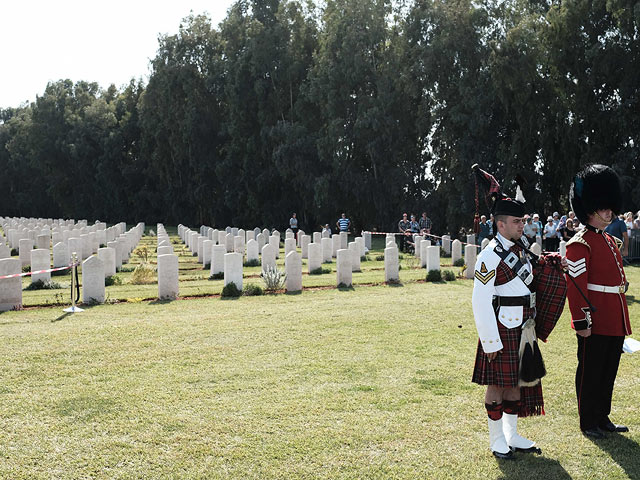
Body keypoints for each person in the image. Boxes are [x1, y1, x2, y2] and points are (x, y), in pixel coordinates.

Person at [472, 194, 559, 459]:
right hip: (502, 327)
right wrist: (490, 342)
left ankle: (512, 435)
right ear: (501, 225)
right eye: (517, 221)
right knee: (497, 384)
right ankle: (497, 438)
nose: (523, 225)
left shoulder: (519, 248)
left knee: (516, 382)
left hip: (524, 324)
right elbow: (480, 301)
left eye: (522, 220)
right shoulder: (489, 256)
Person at [566, 164, 632, 439]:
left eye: (609, 208)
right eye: (602, 208)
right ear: (589, 209)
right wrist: (582, 321)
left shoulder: (606, 239)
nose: (608, 213)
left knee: (608, 372)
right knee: (591, 372)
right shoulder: (580, 243)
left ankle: (602, 416)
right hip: (595, 316)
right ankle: (588, 420)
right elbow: (576, 287)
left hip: (613, 315)